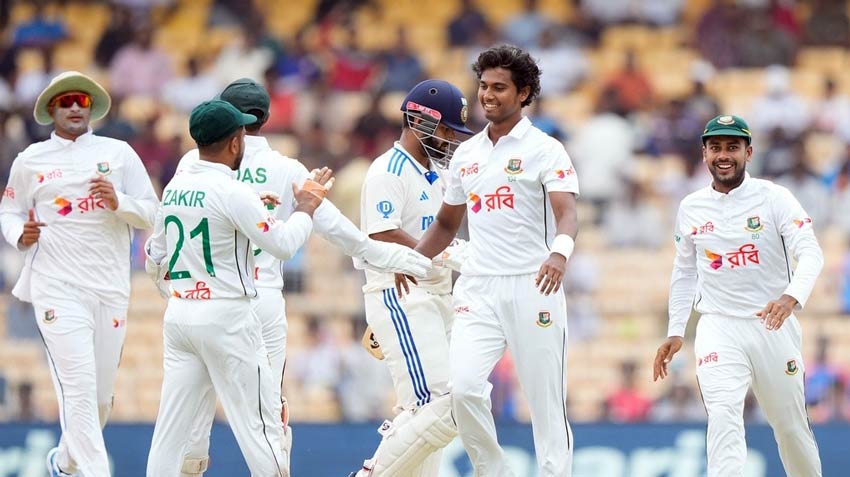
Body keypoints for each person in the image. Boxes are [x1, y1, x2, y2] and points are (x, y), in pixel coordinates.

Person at [173, 79, 435, 477]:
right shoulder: (288, 170)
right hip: (262, 300)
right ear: (266, 117)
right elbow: (347, 237)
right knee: (268, 417)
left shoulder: (192, 165)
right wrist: (408, 260)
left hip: (203, 299)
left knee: (193, 413)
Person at [403, 45, 580, 477]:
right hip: (479, 287)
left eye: (499, 87)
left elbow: (567, 213)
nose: (487, 95)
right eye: (483, 86)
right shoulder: (466, 154)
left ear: (524, 93)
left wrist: (559, 253)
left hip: (534, 285)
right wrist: (409, 260)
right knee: (463, 390)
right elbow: (446, 224)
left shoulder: (546, 149)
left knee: (545, 402)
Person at [0, 71, 158, 477]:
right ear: (52, 109)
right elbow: (9, 210)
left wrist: (119, 202)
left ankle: (65, 463)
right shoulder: (30, 160)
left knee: (100, 399)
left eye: (82, 101)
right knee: (80, 393)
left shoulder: (119, 153)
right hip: (56, 288)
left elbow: (153, 212)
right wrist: (20, 235)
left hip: (109, 288)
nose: (74, 107)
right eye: (66, 101)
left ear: (91, 108)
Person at [653, 114, 824, 477]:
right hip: (719, 326)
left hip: (772, 325)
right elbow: (684, 271)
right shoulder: (691, 207)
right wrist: (675, 330)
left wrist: (790, 297)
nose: (723, 155)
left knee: (790, 428)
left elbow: (811, 253)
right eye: (715, 147)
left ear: (748, 152)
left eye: (732, 147)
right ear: (704, 154)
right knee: (723, 417)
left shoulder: (775, 198)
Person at [349, 79, 473, 477]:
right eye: (446, 129)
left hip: (436, 295)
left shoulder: (438, 173)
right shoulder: (387, 169)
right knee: (442, 404)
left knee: (427, 412)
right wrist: (443, 252)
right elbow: (381, 232)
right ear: (419, 121)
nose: (451, 139)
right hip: (400, 291)